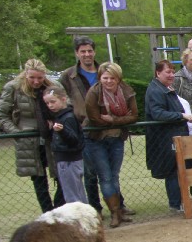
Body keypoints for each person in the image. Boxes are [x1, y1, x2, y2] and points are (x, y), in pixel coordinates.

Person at [0, 61, 60, 213]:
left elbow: (66, 105)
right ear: (25, 74)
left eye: (40, 78)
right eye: (32, 77)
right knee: (39, 180)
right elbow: (2, 115)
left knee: (62, 176)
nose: (36, 82)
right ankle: (48, 214)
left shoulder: (54, 86)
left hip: (53, 138)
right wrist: (17, 133)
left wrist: (58, 121)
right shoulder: (13, 88)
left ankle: (58, 210)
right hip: (29, 141)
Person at [84, 61, 138, 226]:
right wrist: (121, 119)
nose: (108, 81)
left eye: (112, 78)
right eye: (105, 78)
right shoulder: (94, 93)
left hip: (116, 138)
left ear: (118, 78)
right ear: (100, 78)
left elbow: (134, 116)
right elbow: (95, 119)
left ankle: (119, 210)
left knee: (114, 176)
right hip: (96, 139)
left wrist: (113, 120)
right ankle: (115, 213)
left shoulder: (126, 91)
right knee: (105, 177)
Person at [59, 35, 107, 213]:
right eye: (83, 51)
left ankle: (118, 204)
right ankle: (94, 207)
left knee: (109, 172)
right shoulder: (68, 76)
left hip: (106, 127)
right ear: (77, 53)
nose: (87, 54)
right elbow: (62, 98)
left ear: (94, 52)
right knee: (89, 172)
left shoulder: (104, 71)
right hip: (83, 128)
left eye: (90, 51)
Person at [145, 59, 192, 212]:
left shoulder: (165, 88)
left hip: (174, 135)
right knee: (173, 170)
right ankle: (176, 203)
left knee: (178, 169)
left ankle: (179, 201)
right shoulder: (156, 90)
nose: (171, 75)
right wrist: (181, 115)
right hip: (165, 138)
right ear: (158, 73)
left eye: (173, 72)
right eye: (168, 72)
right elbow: (158, 114)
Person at [43, 84, 88, 205]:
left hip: (69, 161)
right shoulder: (60, 117)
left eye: (53, 102)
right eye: (47, 103)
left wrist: (62, 131)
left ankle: (78, 215)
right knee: (77, 191)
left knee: (72, 195)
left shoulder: (67, 118)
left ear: (63, 99)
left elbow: (74, 140)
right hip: (67, 160)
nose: (50, 105)